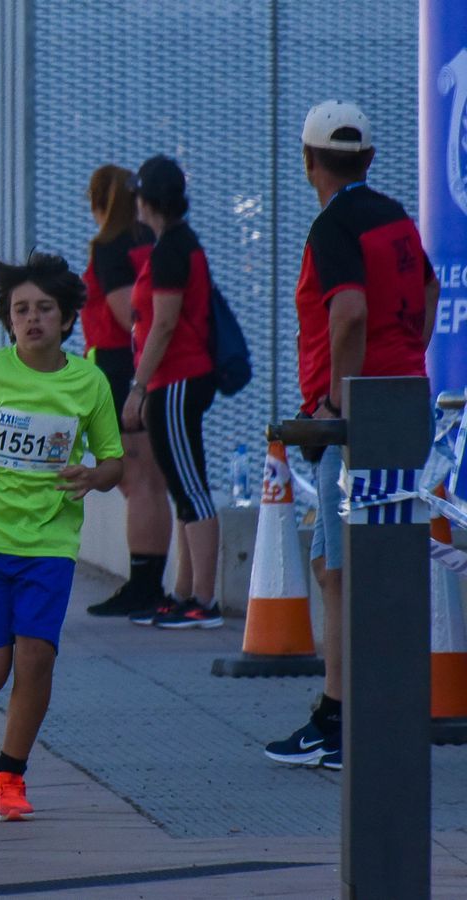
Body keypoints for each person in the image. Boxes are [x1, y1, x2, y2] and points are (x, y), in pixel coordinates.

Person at [265, 101, 438, 771]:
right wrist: (406, 356)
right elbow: (424, 291)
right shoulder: (395, 214)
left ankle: (340, 720)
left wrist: (340, 394)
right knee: (371, 560)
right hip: (406, 400)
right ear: (368, 158)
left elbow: (348, 313)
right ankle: (362, 713)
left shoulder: (333, 224)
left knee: (342, 570)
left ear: (311, 163)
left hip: (358, 413)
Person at [0, 252, 124, 821]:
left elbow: (115, 463)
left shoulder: (89, 382)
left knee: (36, 658)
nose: (33, 319)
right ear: (8, 319)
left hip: (49, 545)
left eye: (44, 309)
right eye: (21, 310)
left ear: (65, 319)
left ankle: (9, 777)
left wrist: (94, 474)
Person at [120, 155, 222, 630]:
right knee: (184, 489)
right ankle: (184, 592)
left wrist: (138, 388)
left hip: (177, 379)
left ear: (148, 200)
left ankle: (203, 598)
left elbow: (162, 324)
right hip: (174, 380)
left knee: (191, 489)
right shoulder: (176, 244)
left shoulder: (170, 251)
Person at [78, 166, 174, 617]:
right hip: (151, 370)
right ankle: (152, 583)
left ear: (99, 202)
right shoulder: (147, 242)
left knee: (136, 483)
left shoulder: (108, 248)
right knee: (153, 482)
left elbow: (126, 314)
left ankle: (141, 585)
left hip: (120, 371)